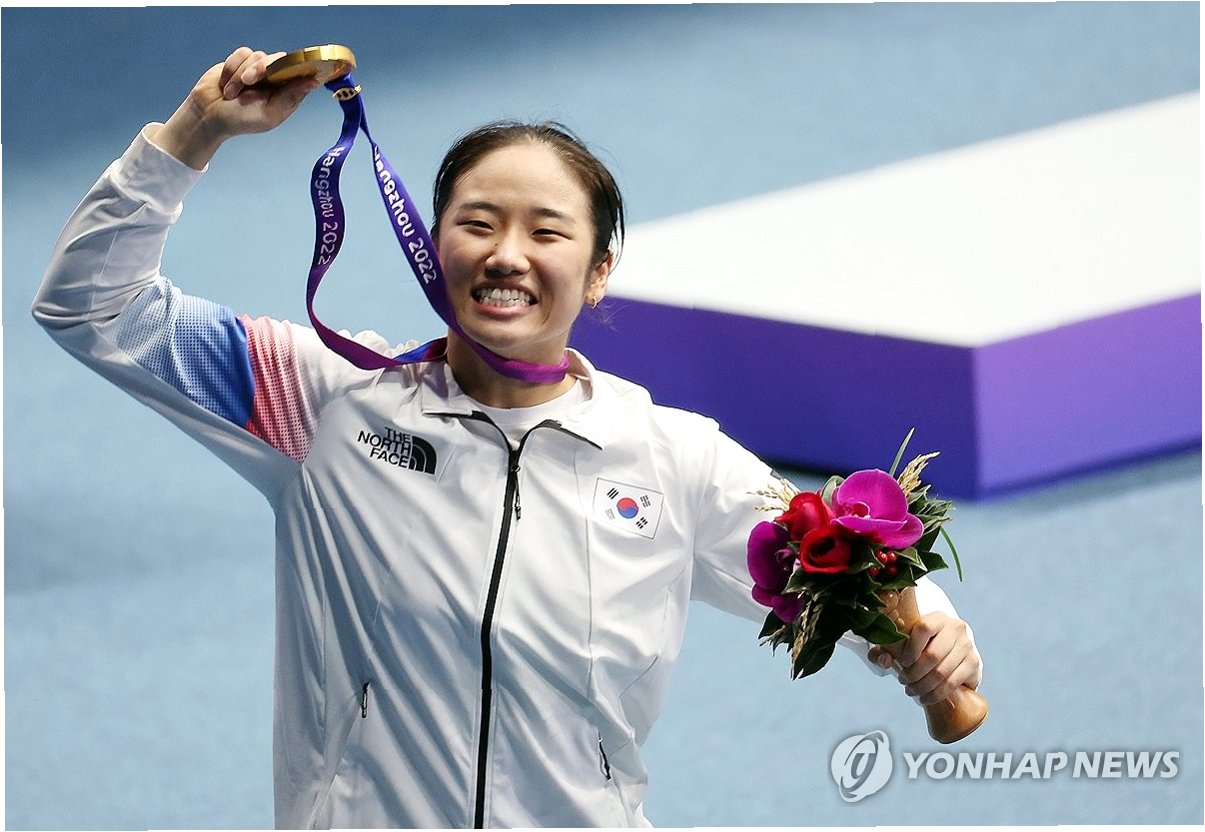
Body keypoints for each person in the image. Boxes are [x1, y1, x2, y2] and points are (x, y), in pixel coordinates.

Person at [34, 47, 982, 829]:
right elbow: (91, 306)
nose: (505, 255)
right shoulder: (326, 399)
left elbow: (843, 565)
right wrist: (191, 135)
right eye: (476, 224)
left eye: (547, 233)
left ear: (599, 270)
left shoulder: (671, 457)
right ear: (431, 244)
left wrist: (935, 638)